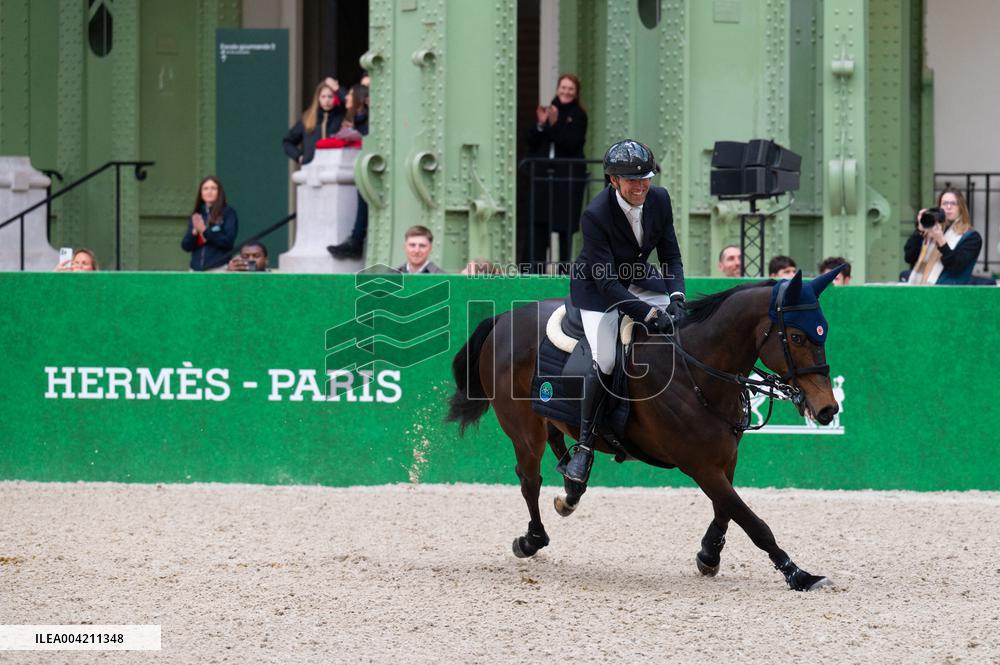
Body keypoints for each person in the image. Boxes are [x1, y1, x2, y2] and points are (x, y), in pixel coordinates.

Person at [561, 139, 685, 488]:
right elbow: (607, 284)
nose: (641, 186)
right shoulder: (595, 214)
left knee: (684, 328)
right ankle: (585, 446)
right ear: (614, 180)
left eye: (646, 178)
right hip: (597, 291)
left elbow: (671, 256)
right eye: (632, 180)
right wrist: (648, 314)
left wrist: (676, 297)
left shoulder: (660, 199)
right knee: (607, 358)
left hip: (638, 278)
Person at [524, 73, 588, 270]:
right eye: (563, 87)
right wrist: (541, 124)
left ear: (576, 93)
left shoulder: (579, 115)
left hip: (566, 179)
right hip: (544, 178)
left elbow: (571, 143)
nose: (566, 92)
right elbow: (532, 141)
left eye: (570, 89)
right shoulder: (550, 111)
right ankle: (535, 270)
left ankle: (564, 271)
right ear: (558, 89)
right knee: (539, 224)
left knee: (565, 227)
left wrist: (554, 124)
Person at [327, 84, 372, 260]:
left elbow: (367, 135)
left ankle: (356, 240)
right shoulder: (350, 118)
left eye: (350, 95)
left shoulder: (368, 119)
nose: (346, 97)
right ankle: (355, 240)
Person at [905, 188, 982, 285]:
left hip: (948, 292)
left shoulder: (971, 237)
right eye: (945, 203)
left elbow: (955, 267)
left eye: (953, 203)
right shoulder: (930, 231)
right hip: (919, 289)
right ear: (939, 208)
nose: (948, 207)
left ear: (961, 208)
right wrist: (920, 230)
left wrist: (940, 240)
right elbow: (909, 257)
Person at [282, 78, 346, 166]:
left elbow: (350, 101)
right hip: (311, 167)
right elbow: (287, 141)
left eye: (330, 96)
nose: (327, 100)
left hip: (335, 167)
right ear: (318, 98)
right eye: (323, 96)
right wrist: (299, 157)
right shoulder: (308, 117)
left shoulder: (340, 115)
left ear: (335, 98)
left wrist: (337, 88)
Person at [181, 176, 238, 272]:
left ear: (219, 192)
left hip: (219, 268)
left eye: (213, 188)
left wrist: (205, 231)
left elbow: (228, 242)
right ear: (201, 193)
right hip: (195, 270)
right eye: (205, 188)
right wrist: (194, 233)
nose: (209, 191)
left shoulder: (228, 212)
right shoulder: (197, 214)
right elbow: (186, 246)